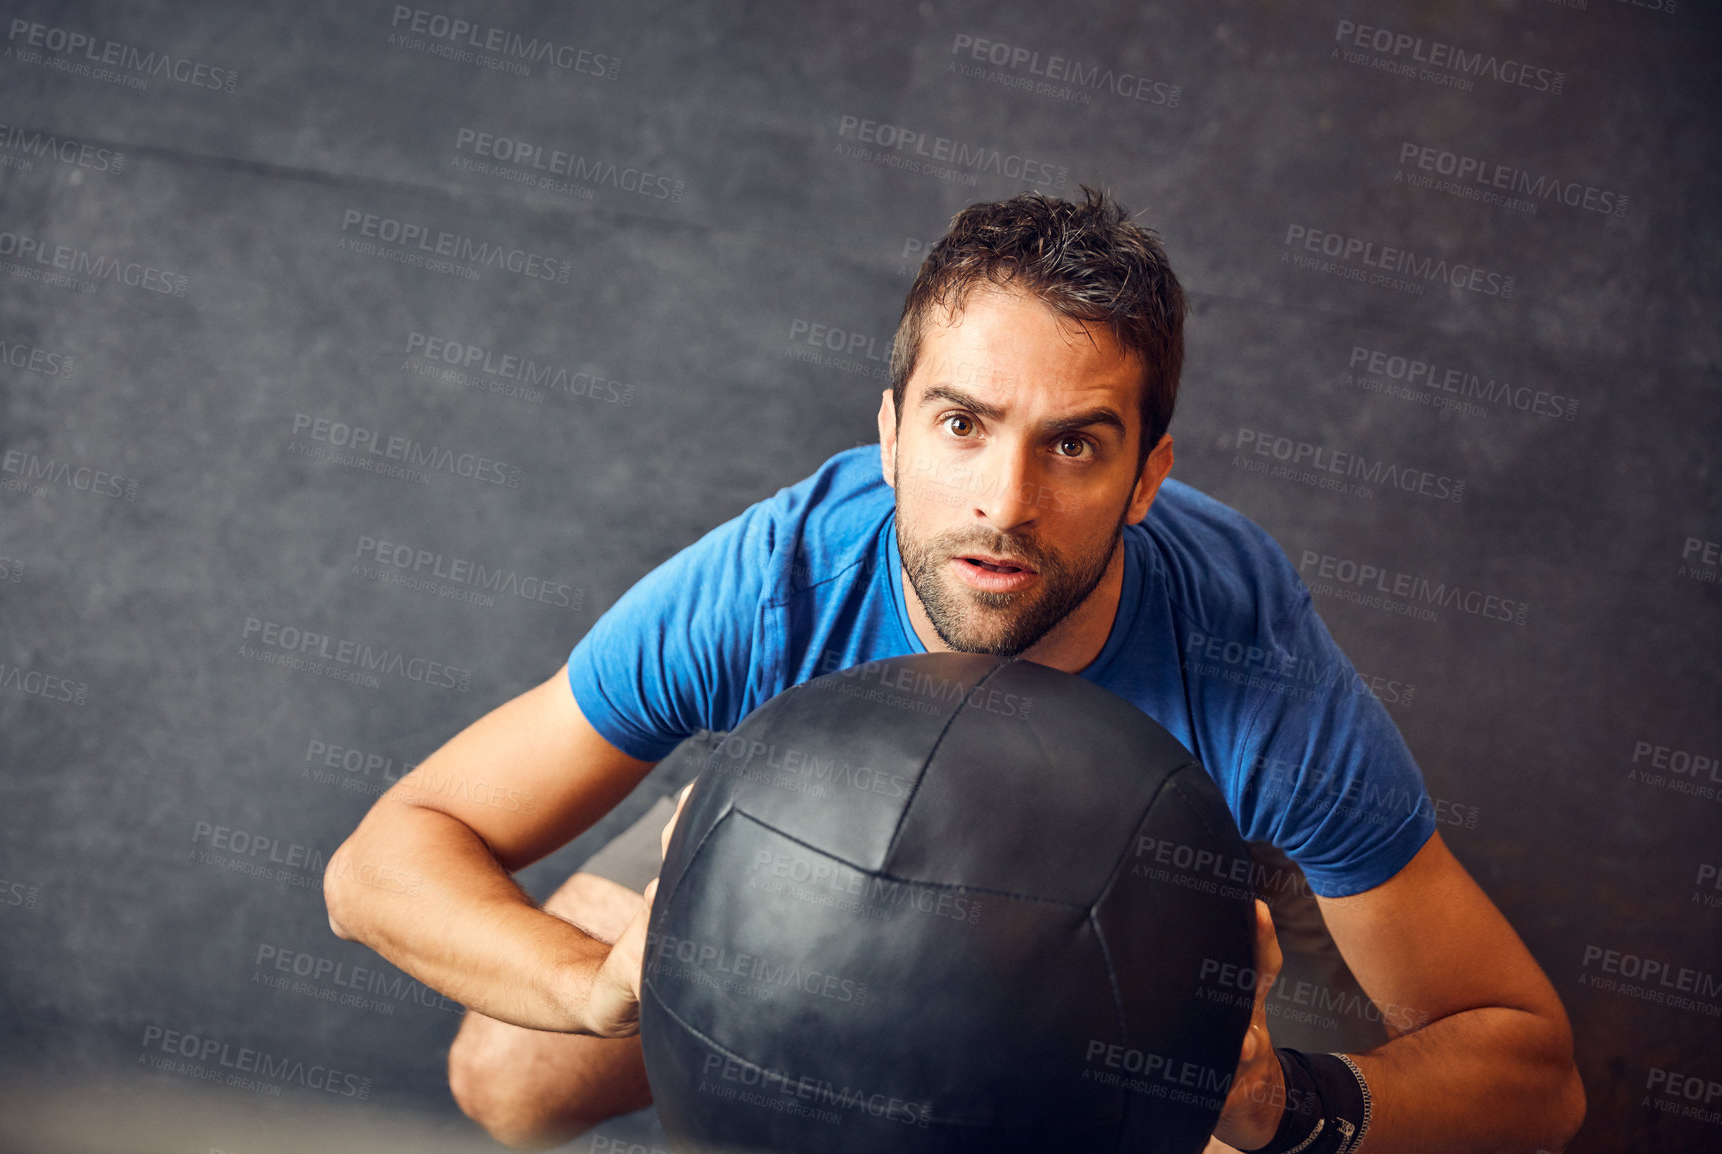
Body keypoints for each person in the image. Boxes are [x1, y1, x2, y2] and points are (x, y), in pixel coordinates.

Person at [324, 189, 1585, 1153]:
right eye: (960, 423)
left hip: (1165, 876)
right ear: (888, 434)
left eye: (1076, 445)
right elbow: (385, 858)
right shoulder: (775, 584)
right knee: (514, 1073)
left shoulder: (1252, 669)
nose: (1004, 502)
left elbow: (1534, 1069)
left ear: (1147, 474)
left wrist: (1280, 1095)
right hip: (821, 827)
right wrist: (598, 981)